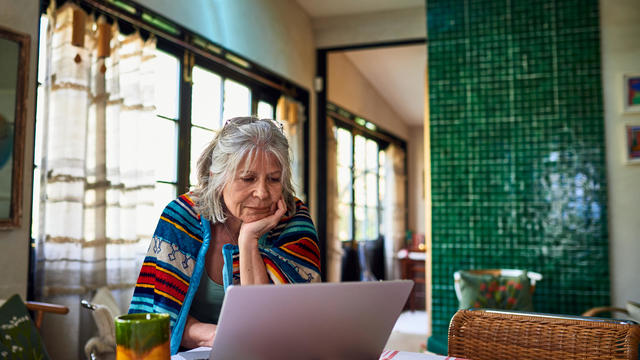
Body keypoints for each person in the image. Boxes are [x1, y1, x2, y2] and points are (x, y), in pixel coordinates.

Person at [128, 117, 321, 355]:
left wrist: (249, 240)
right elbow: (157, 317)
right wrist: (213, 334)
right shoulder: (181, 217)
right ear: (218, 178)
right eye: (248, 178)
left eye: (273, 179)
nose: (262, 193)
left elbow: (275, 328)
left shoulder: (294, 221)